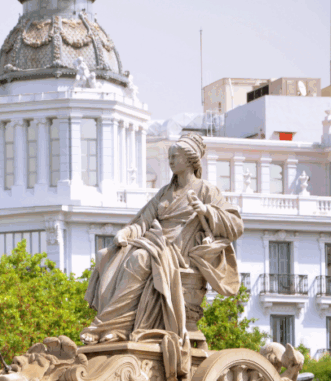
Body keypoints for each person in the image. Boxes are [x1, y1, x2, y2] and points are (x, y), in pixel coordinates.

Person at [82, 133, 243, 346]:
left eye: (175, 156)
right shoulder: (165, 192)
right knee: (107, 255)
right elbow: (144, 221)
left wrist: (206, 210)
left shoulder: (205, 190)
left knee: (139, 258)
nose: (171, 161)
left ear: (190, 160)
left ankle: (109, 325)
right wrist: (126, 233)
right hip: (156, 242)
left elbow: (236, 225)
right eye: (170, 156)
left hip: (180, 252)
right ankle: (116, 326)